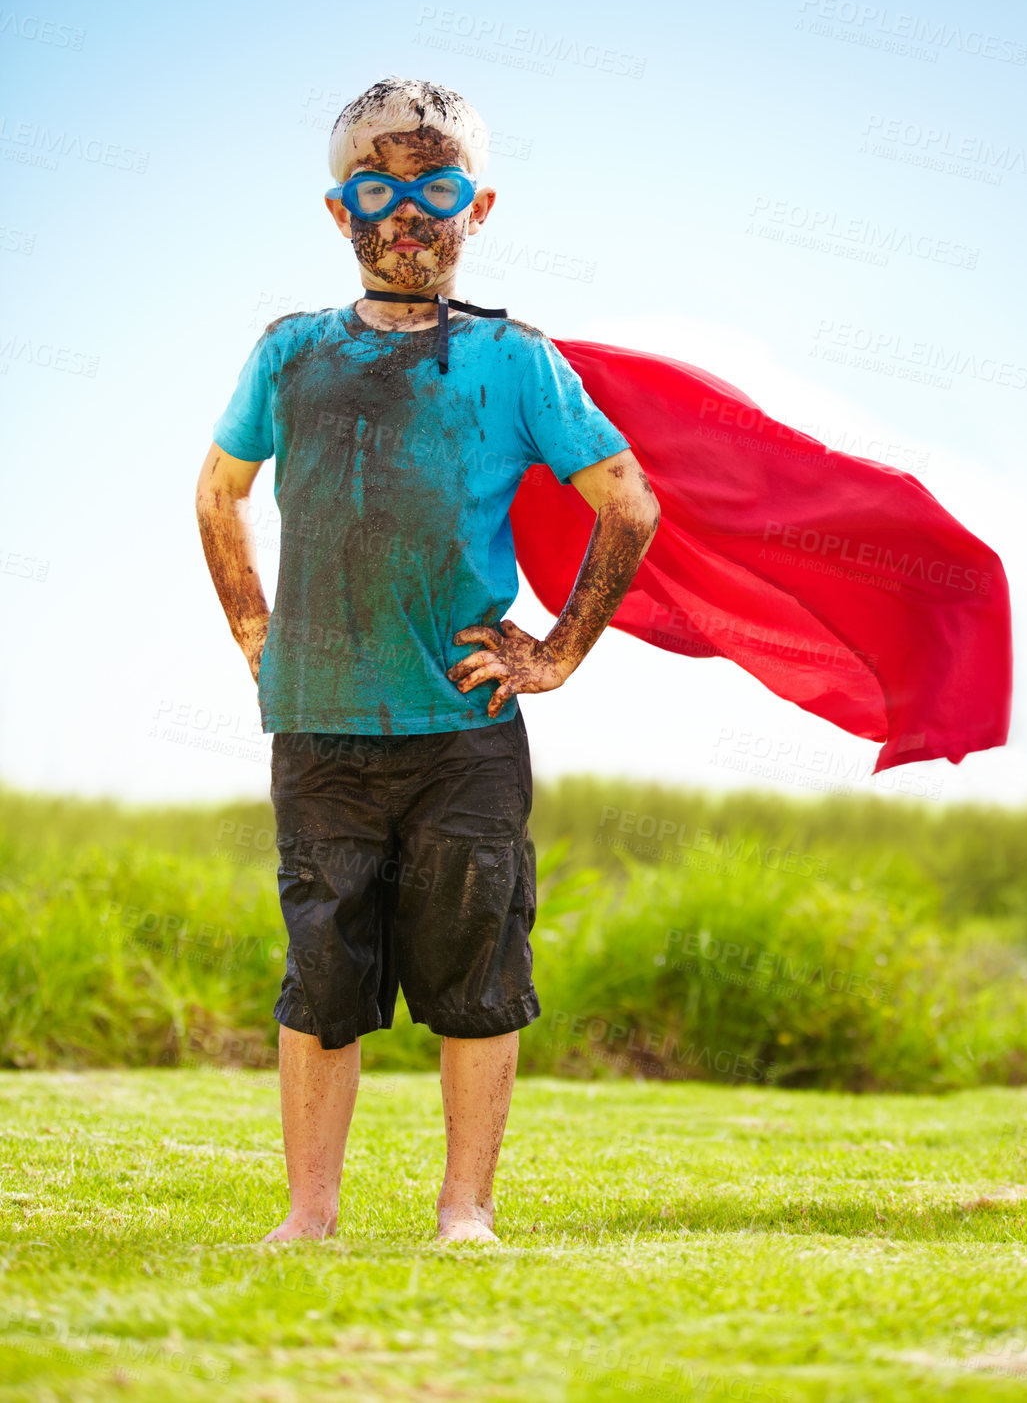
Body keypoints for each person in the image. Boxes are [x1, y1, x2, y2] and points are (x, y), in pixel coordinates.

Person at [195, 76, 660, 1244]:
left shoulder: (515, 362)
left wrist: (554, 652)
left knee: (476, 971)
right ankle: (309, 1215)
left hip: (462, 733)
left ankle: (466, 1210)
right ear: (337, 207)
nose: (405, 211)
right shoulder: (289, 352)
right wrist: (259, 635)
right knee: (322, 974)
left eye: (434, 186)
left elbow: (628, 505)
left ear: (478, 205)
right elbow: (217, 495)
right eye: (376, 186)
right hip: (319, 727)